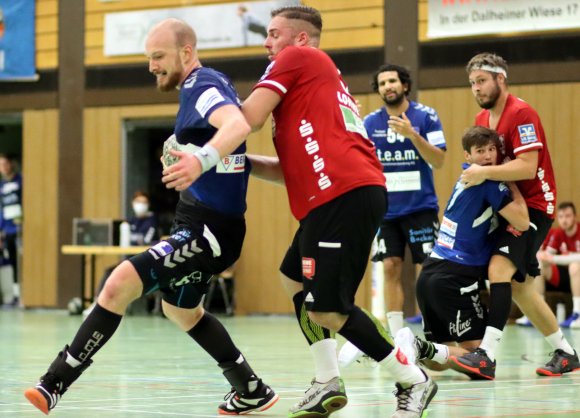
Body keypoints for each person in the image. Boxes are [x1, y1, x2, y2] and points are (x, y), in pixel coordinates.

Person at [162, 6, 439, 418]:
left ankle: (413, 380)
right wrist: (231, 161)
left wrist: (198, 136)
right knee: (293, 279)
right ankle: (328, 379)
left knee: (328, 307)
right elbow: (286, 171)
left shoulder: (298, 60)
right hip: (332, 198)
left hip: (343, 196)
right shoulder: (306, 95)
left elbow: (244, 119)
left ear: (301, 39)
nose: (266, 42)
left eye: (274, 33)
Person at [24, 18, 278, 416]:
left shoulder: (201, 84)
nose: (151, 66)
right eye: (148, 58)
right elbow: (232, 142)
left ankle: (56, 381)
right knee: (179, 310)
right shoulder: (206, 86)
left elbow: (237, 123)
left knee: (118, 282)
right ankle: (251, 389)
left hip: (209, 229)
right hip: (202, 223)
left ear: (186, 53)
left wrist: (199, 159)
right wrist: (190, 150)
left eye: (158, 56)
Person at [451, 52, 579, 379]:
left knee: (499, 268)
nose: (476, 88)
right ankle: (566, 352)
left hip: (534, 205)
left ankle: (487, 355)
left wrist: (481, 174)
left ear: (500, 79)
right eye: (472, 83)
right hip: (506, 205)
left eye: (481, 81)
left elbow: (527, 167)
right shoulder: (482, 120)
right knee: (522, 288)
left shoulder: (522, 113)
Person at [397, 126, 529, 379]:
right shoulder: (489, 182)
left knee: (438, 361)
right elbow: (522, 222)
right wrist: (511, 179)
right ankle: (414, 346)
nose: (489, 156)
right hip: (454, 277)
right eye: (481, 151)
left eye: (492, 149)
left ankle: (401, 350)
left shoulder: (466, 176)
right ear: (468, 156)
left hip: (430, 273)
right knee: (480, 362)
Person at [338, 64, 446, 367]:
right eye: (382, 82)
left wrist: (413, 135)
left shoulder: (426, 116)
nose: (388, 86)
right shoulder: (370, 122)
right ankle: (398, 339)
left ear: (405, 85)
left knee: (429, 274)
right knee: (390, 268)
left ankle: (431, 334)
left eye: (393, 81)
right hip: (385, 210)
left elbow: (438, 160)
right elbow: (354, 157)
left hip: (421, 207)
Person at [82, 191, 160, 317]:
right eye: (138, 202)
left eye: (144, 202)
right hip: (130, 261)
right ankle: (98, 304)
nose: (141, 205)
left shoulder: (152, 221)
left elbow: (146, 242)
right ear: (132, 203)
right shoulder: (129, 221)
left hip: (146, 263)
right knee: (109, 271)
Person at [535, 202, 580, 328]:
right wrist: (543, 256)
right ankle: (539, 312)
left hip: (577, 274)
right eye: (561, 216)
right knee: (539, 263)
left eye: (567, 216)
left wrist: (554, 258)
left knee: (575, 266)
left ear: (574, 217)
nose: (564, 220)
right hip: (566, 278)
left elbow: (553, 258)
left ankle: (578, 313)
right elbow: (547, 256)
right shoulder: (558, 233)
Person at [0, 154, 23, 306]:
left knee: (21, 262)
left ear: (11, 164)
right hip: (7, 229)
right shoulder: (1, 185)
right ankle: (14, 295)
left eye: (6, 163)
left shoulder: (20, 180)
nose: (4, 167)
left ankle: (22, 295)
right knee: (12, 260)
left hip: (19, 228)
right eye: (1, 165)